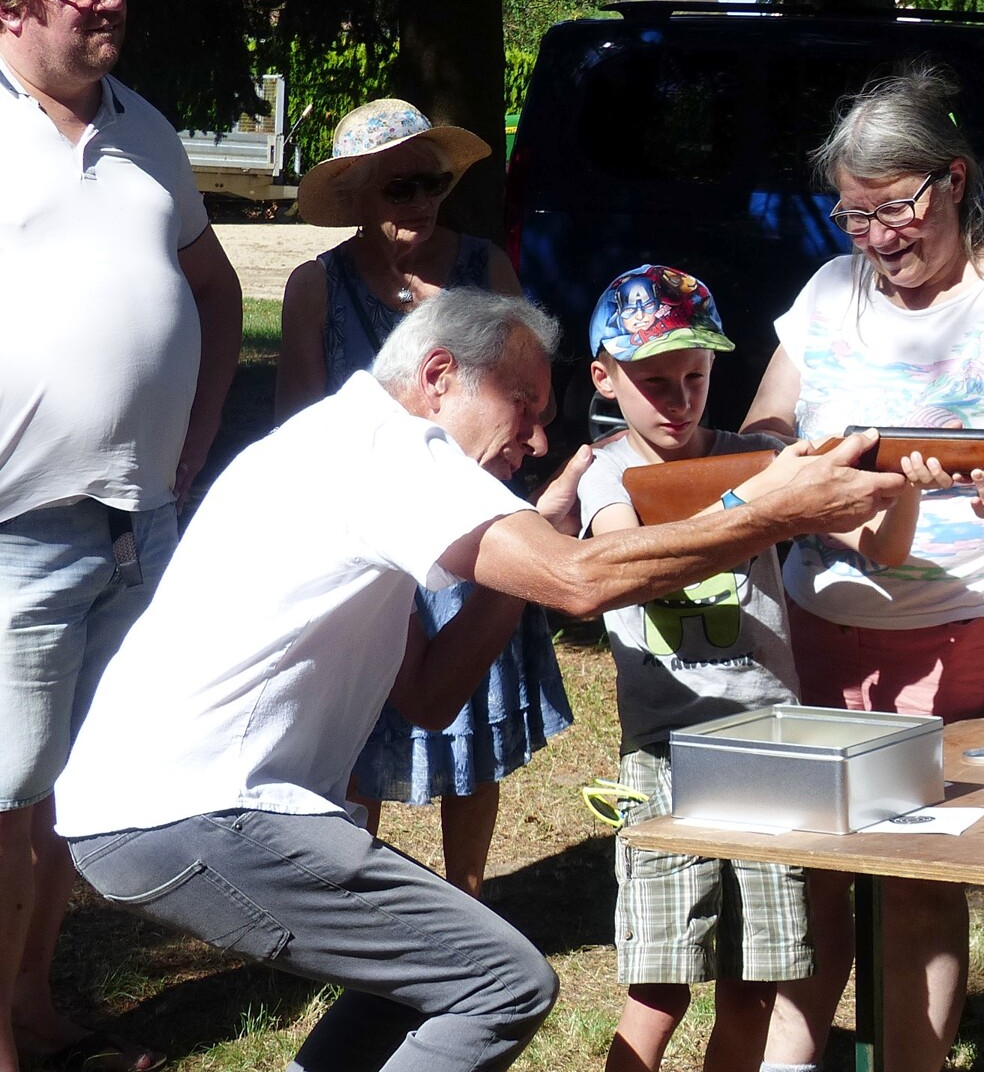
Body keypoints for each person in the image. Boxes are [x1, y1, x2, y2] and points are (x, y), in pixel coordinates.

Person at [52, 289, 909, 1072]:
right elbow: (582, 581)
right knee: (503, 983)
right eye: (523, 405)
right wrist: (768, 512)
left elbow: (429, 697)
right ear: (437, 379)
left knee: (421, 983)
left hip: (167, 808)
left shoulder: (340, 446)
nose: (535, 439)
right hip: (200, 806)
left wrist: (535, 544)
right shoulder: (390, 450)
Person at [740, 63, 984, 1072]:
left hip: (979, 632)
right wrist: (794, 467)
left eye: (895, 209)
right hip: (825, 625)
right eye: (853, 218)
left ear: (953, 179)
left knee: (918, 876)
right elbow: (765, 427)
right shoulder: (826, 294)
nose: (879, 239)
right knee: (812, 872)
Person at [579, 265, 926, 1072]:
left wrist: (901, 481)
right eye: (653, 380)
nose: (678, 399)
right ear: (605, 378)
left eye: (694, 377)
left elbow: (886, 552)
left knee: (754, 987)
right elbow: (633, 559)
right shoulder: (607, 473)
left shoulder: (758, 459)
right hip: (668, 754)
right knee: (658, 987)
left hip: (771, 750)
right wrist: (761, 505)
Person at [0, 0, 241, 1068]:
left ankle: (34, 1007)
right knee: (5, 801)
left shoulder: (145, 126)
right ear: (13, 4)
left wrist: (196, 432)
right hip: (21, 530)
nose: (112, 0)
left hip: (141, 523)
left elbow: (214, 285)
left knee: (74, 798)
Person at [277, 97, 569, 900]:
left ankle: (468, 893)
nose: (422, 203)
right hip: (369, 538)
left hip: (470, 520)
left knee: (473, 705)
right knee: (357, 720)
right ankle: (352, 897)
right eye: (400, 187)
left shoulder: (484, 268)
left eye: (433, 183)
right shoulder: (317, 286)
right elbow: (298, 425)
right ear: (359, 196)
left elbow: (524, 385)